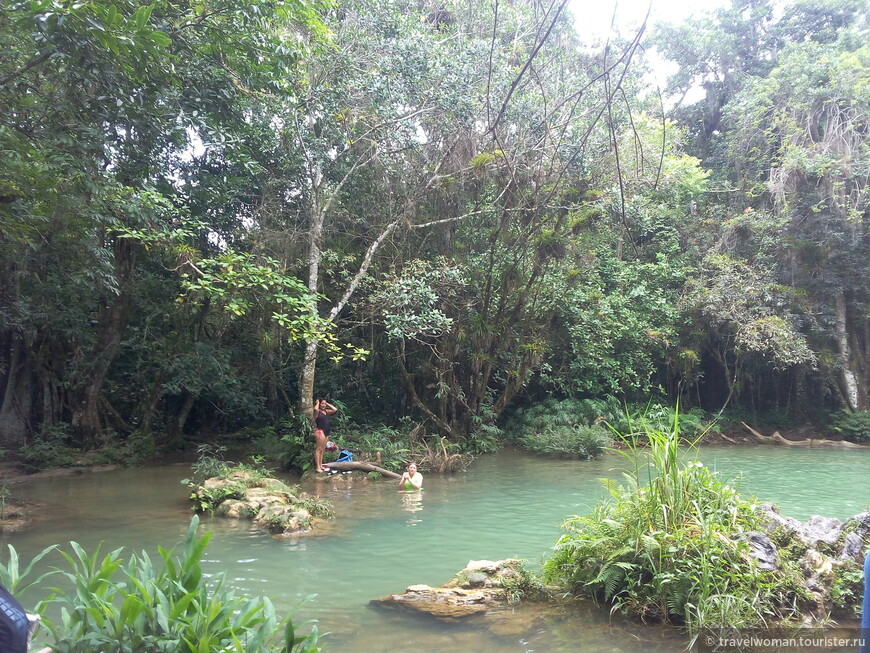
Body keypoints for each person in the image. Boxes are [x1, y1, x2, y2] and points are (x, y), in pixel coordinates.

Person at [312, 398, 337, 473]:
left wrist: (327, 403)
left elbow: (335, 409)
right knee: (318, 449)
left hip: (326, 431)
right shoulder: (317, 412)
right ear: (319, 404)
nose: (324, 405)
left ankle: (321, 465)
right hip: (320, 431)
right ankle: (317, 467)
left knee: (322, 449)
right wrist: (317, 403)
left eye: (324, 404)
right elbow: (315, 409)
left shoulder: (326, 411)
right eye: (322, 403)